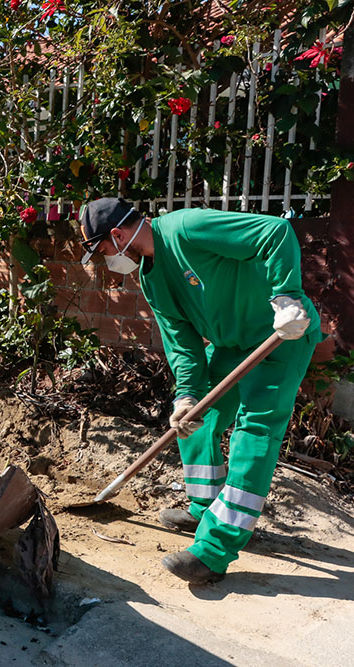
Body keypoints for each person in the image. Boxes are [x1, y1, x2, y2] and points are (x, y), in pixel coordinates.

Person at [78, 198, 322, 584]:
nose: (105, 258)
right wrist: (187, 395)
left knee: (253, 436)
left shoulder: (187, 227)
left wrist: (286, 298)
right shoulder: (150, 277)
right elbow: (182, 344)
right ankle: (203, 506)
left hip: (281, 337)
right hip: (232, 346)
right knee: (194, 421)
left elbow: (275, 232)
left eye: (102, 249)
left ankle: (213, 551)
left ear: (118, 234)